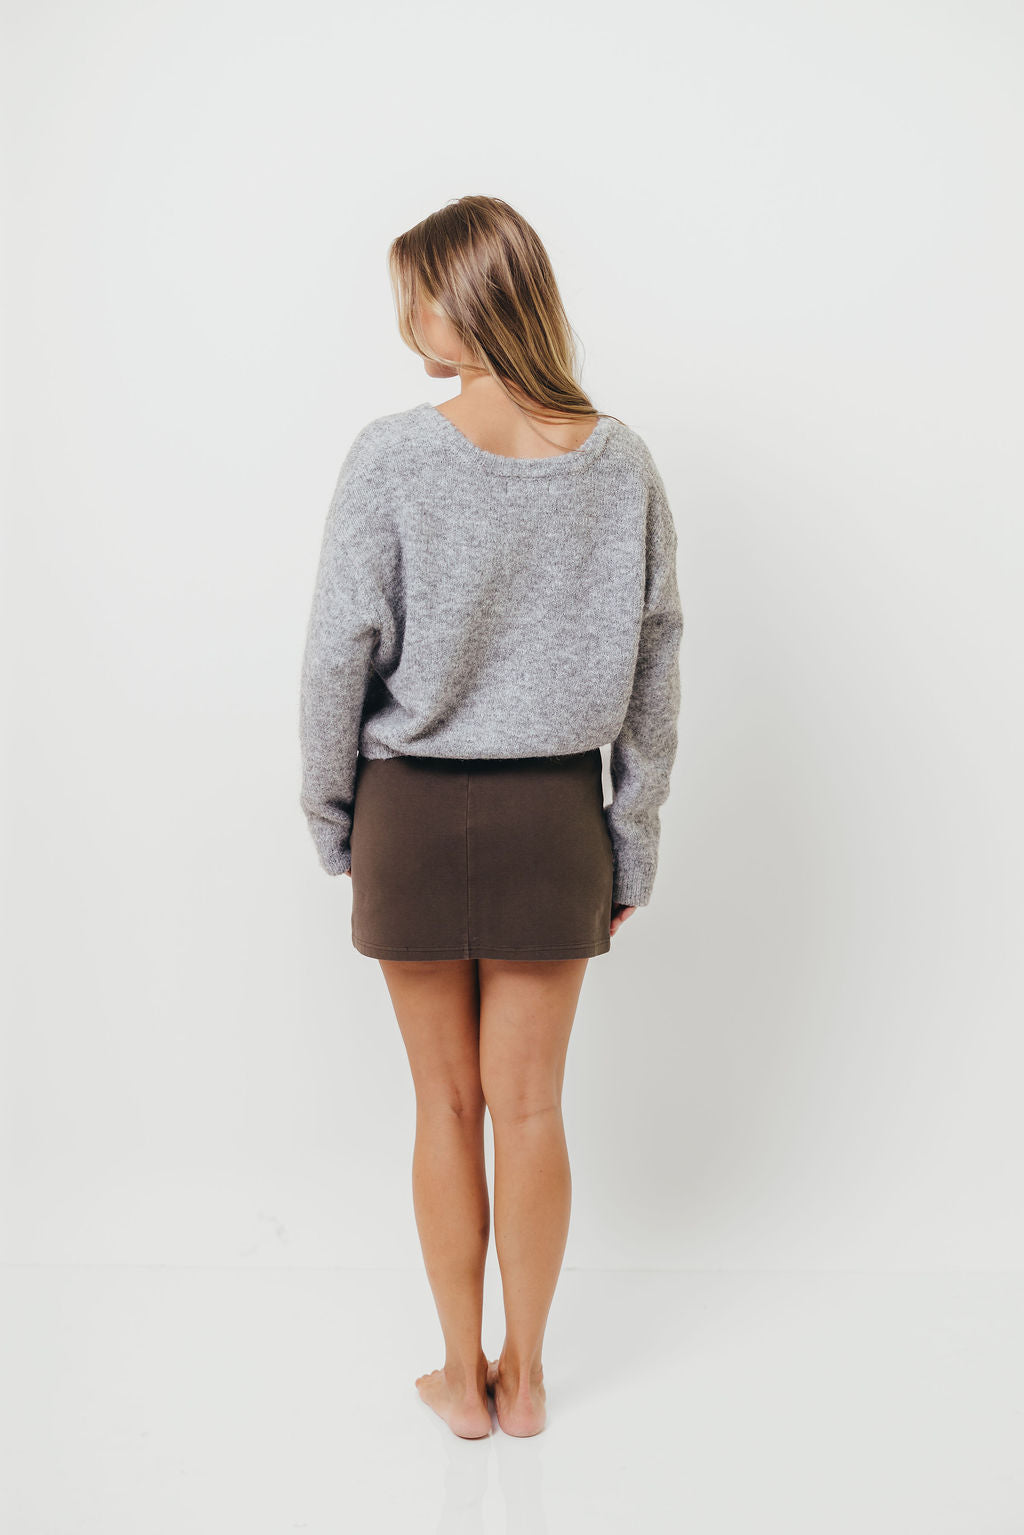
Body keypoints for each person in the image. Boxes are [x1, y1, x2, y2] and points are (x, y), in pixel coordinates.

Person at [299, 195, 684, 1439]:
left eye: (414, 296)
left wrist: (331, 814)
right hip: (553, 819)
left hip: (410, 817)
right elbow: (655, 666)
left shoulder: (392, 455)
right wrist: (631, 839)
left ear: (458, 302)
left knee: (444, 1105)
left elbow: (336, 657)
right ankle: (523, 1379)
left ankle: (458, 1380)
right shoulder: (619, 461)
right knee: (529, 1108)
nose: (405, 321)